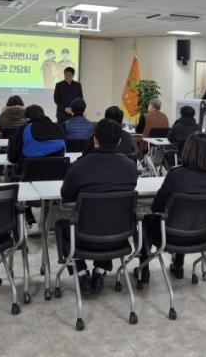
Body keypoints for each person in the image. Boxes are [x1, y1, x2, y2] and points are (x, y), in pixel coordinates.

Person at [137, 133, 206, 283]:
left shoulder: (176, 175)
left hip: (170, 237)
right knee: (185, 218)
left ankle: (144, 271)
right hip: (203, 236)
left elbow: (156, 207)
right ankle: (178, 265)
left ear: (187, 151)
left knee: (145, 220)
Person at [57, 119, 138, 295]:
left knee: (61, 225)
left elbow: (66, 195)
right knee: (110, 218)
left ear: (94, 139)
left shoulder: (80, 165)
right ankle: (100, 271)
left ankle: (81, 273)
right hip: (119, 237)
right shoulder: (130, 167)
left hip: (83, 238)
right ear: (119, 141)